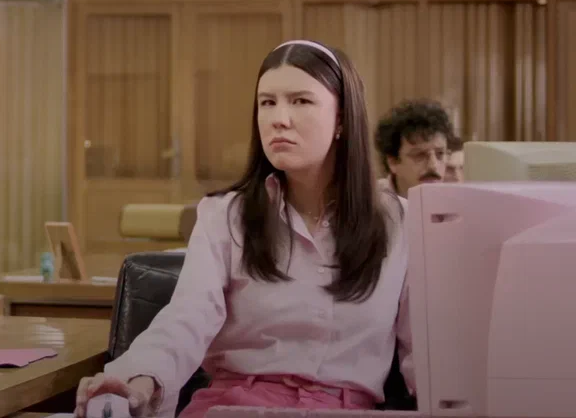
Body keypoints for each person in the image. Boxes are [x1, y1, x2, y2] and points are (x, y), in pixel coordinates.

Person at [73, 40, 412, 418]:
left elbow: (427, 355)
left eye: (300, 101)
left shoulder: (402, 223)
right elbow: (186, 319)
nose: (279, 118)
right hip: (234, 407)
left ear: (342, 120)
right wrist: (139, 381)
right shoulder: (226, 216)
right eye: (267, 103)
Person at [374, 99, 454, 198]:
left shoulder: (455, 201)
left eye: (440, 154)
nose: (433, 165)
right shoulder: (372, 203)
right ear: (393, 162)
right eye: (420, 155)